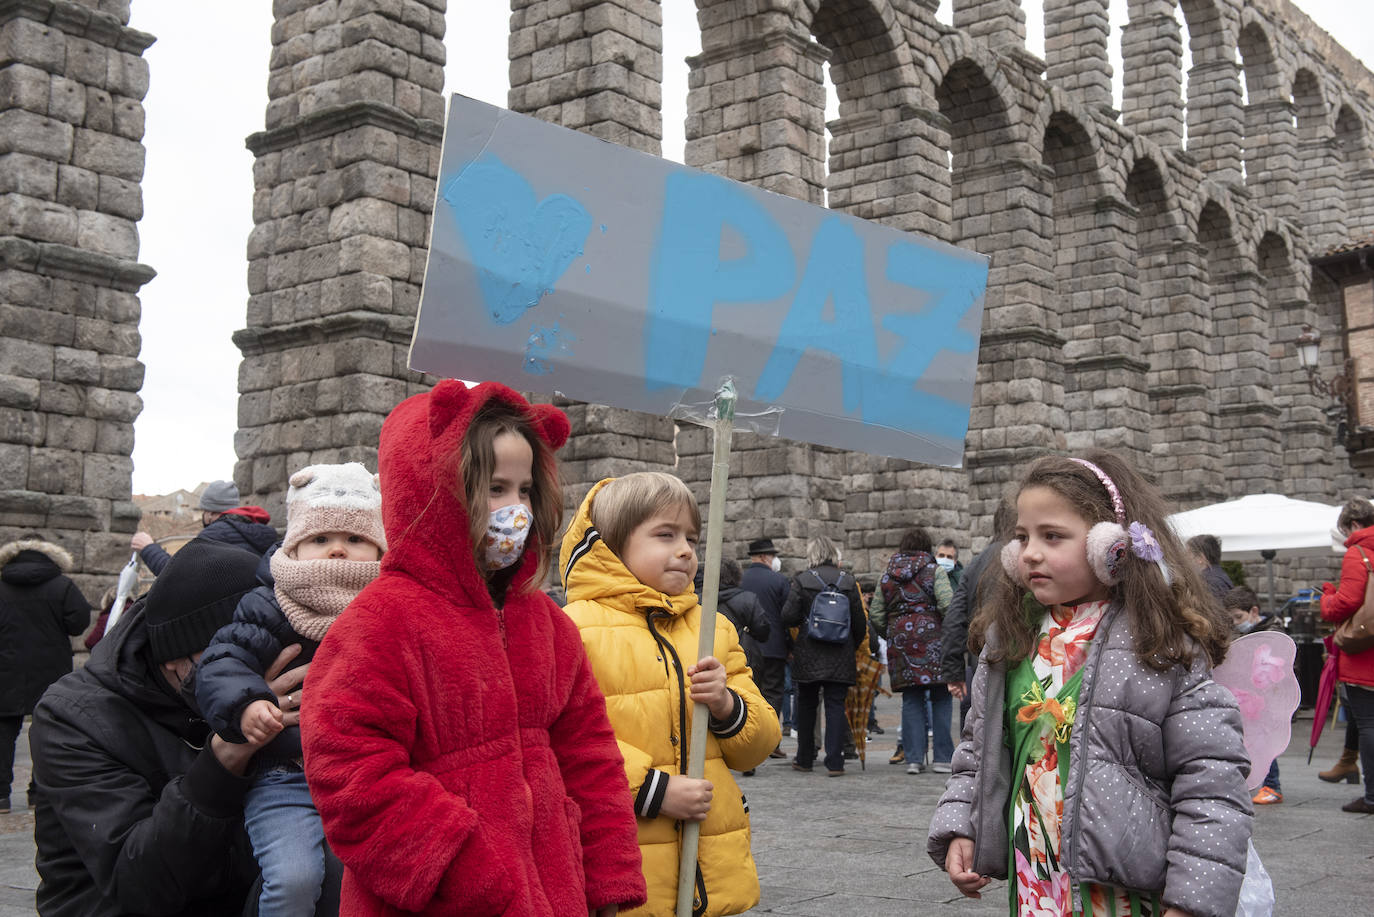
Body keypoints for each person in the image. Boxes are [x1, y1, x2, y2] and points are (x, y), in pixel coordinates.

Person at [299, 380, 646, 916]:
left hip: (554, 891)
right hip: (442, 901)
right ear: (433, 488)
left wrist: (608, 875)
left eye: (525, 489)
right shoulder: (381, 622)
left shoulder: (547, 623)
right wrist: (470, 872)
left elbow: (590, 755)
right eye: (495, 488)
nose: (516, 509)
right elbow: (353, 775)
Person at [929, 450, 1251, 917]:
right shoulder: (1009, 641)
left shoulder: (1161, 645)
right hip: (1036, 880)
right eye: (1022, 537)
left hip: (1127, 895)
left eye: (1053, 536)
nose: (1031, 551)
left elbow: (1212, 784)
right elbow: (978, 751)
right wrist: (962, 825)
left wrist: (1192, 900)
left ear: (1110, 546)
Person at [29, 539, 308, 917]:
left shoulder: (274, 690)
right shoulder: (74, 719)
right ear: (176, 659)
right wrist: (230, 748)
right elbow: (141, 885)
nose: (257, 670)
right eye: (235, 659)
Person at [562, 472, 779, 915]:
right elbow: (564, 742)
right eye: (665, 535)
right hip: (624, 860)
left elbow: (759, 746)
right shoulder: (573, 630)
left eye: (692, 539)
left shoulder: (712, 629)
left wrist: (727, 705)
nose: (684, 550)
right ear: (612, 543)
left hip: (708, 866)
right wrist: (653, 789)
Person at [197, 462, 386, 916]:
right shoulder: (271, 603)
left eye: (355, 539)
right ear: (295, 547)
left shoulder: (391, 605)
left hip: (372, 774)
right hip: (287, 775)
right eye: (321, 539)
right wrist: (248, 704)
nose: (337, 551)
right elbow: (224, 661)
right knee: (293, 879)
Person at [0, 534, 91, 813]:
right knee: (47, 729)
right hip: (51, 669)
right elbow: (78, 623)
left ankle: (1, 796)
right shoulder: (62, 585)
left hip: (6, 666)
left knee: (3, 731)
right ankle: (39, 793)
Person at [869, 527, 954, 775]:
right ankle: (942, 758)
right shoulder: (934, 571)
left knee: (911, 699)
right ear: (927, 547)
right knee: (941, 697)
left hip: (901, 643)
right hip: (934, 642)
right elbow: (948, 604)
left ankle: (914, 759)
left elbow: (875, 613)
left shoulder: (887, 575)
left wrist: (892, 634)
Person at [781, 535, 867, 777]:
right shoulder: (848, 581)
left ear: (812, 554)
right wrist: (851, 644)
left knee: (807, 705)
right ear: (833, 554)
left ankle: (805, 758)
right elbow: (860, 622)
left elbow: (787, 616)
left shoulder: (802, 580)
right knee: (835, 706)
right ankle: (835, 762)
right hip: (841, 653)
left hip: (809, 651)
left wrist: (806, 625)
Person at [1320, 496, 1374, 814]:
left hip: (1365, 652)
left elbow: (1346, 603)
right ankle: (1348, 765)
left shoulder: (1358, 552)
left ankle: (1372, 797)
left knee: (1368, 723)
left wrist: (1327, 597)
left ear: (1353, 524)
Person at [942, 501, 1016, 731]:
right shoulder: (1023, 557)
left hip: (981, 661)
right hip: (1018, 657)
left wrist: (954, 671)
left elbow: (954, 619)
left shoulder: (976, 563)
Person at [131, 480, 279, 575]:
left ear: (210, 513)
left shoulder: (213, 536)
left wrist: (148, 548)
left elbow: (175, 574)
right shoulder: (261, 534)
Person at [1223, 586, 1285, 805]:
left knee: (1264, 743)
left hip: (1266, 699)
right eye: (1232, 619)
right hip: (1249, 698)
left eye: (1239, 617)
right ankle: (1257, 781)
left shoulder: (1272, 632)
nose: (1237, 623)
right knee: (1251, 741)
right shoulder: (1247, 632)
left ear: (1254, 611)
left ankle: (1272, 786)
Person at [740, 536, 790, 756]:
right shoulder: (779, 581)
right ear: (763, 556)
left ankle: (750, 740)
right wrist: (790, 646)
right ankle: (772, 742)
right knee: (773, 692)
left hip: (746, 646)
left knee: (751, 692)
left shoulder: (741, 580)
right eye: (772, 555)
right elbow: (787, 616)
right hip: (774, 646)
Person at [1186, 533, 1233, 600]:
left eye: (1188, 554)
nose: (1185, 559)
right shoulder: (1217, 576)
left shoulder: (1210, 582)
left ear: (1200, 558)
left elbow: (1217, 610)